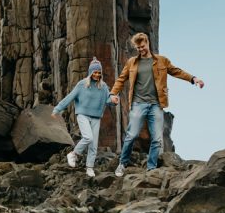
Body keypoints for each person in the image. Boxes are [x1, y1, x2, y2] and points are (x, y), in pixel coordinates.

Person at [110, 32, 204, 176]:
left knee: (157, 139)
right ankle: (122, 164)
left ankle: (151, 168)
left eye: (142, 46)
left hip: (156, 105)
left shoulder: (162, 61)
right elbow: (121, 79)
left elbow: (176, 71)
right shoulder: (132, 63)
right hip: (138, 104)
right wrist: (113, 93)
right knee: (131, 135)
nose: (141, 49)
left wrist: (193, 79)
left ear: (147, 43)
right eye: (138, 48)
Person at [51, 57, 114, 178]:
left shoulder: (104, 86)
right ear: (90, 72)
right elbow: (69, 97)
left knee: (93, 145)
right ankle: (73, 154)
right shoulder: (82, 84)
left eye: (99, 72)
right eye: (94, 72)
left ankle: (89, 168)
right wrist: (57, 109)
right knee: (88, 137)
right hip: (83, 115)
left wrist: (114, 100)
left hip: (96, 117)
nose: (97, 75)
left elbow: (108, 100)